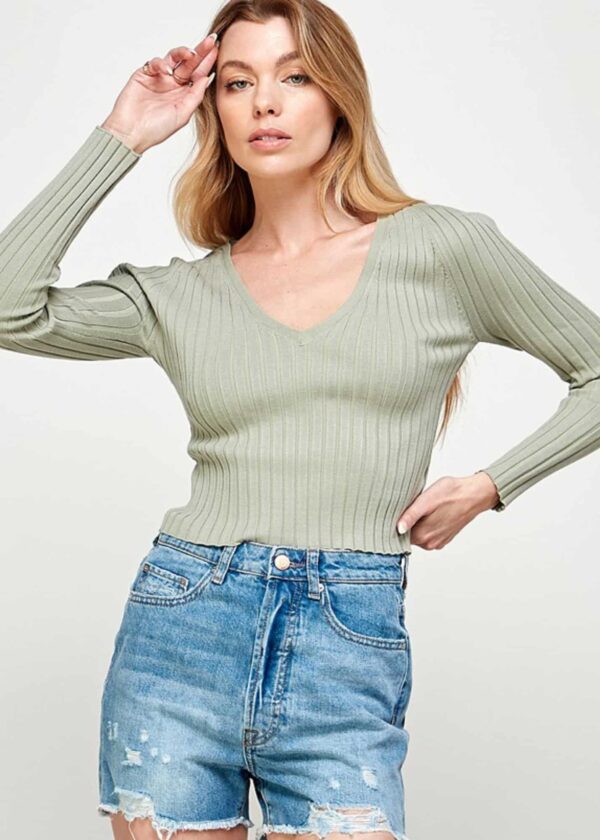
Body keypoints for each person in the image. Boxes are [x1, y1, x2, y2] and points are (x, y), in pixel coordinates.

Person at [1, 2, 600, 839]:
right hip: (180, 631)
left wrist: (492, 485)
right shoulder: (180, 295)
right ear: (213, 108)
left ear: (339, 96)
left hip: (344, 642)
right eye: (237, 82)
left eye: (296, 76)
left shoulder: (442, 249)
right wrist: (123, 135)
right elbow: (10, 307)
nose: (265, 103)